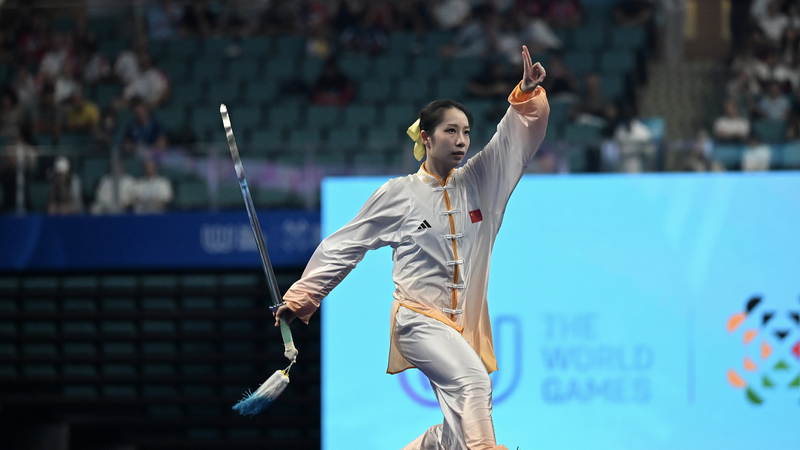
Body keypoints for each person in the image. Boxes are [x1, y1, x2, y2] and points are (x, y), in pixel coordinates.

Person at [274, 46, 549, 450]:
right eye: (450, 131)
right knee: (474, 382)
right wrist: (304, 293)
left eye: (467, 132)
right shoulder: (399, 194)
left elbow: (513, 140)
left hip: (462, 325)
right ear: (426, 137)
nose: (461, 140)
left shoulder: (481, 180)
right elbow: (347, 244)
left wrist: (525, 95)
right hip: (416, 321)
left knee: (455, 434)